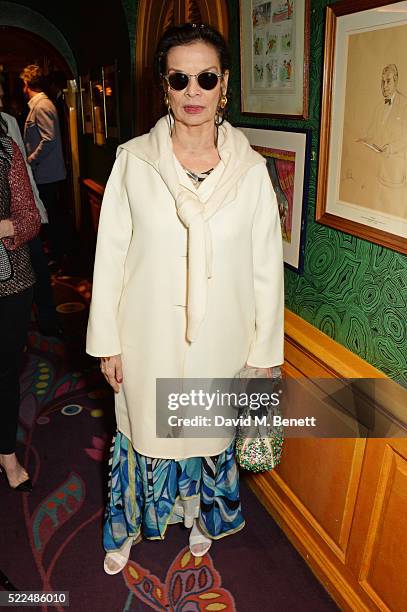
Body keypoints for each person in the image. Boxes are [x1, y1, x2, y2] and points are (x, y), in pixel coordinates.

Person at [86, 23, 284, 574]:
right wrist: (107, 342)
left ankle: (199, 517)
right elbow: (110, 259)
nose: (192, 91)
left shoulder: (251, 171)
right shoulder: (133, 161)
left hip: (223, 339)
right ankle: (125, 529)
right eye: (180, 78)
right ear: (164, 87)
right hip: (146, 334)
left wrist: (264, 355)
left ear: (224, 86)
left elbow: (267, 267)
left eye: (205, 78)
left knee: (206, 440)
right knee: (142, 436)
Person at [0, 113, 41, 491]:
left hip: (9, 282)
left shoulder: (6, 151)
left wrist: (4, 227)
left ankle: (6, 454)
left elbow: (30, 219)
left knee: (5, 372)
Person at [20, 65, 65, 336]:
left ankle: (58, 258)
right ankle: (56, 256)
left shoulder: (42, 105)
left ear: (27, 84)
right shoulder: (38, 105)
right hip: (45, 174)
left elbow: (48, 139)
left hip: (47, 175)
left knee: (53, 219)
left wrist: (29, 161)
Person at [359, 64, 407, 217]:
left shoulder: (405, 105)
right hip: (376, 172)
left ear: (396, 81)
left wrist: (391, 148)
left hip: (394, 175)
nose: (384, 86)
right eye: (382, 82)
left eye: (388, 81)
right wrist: (363, 139)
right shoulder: (379, 107)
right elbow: (370, 132)